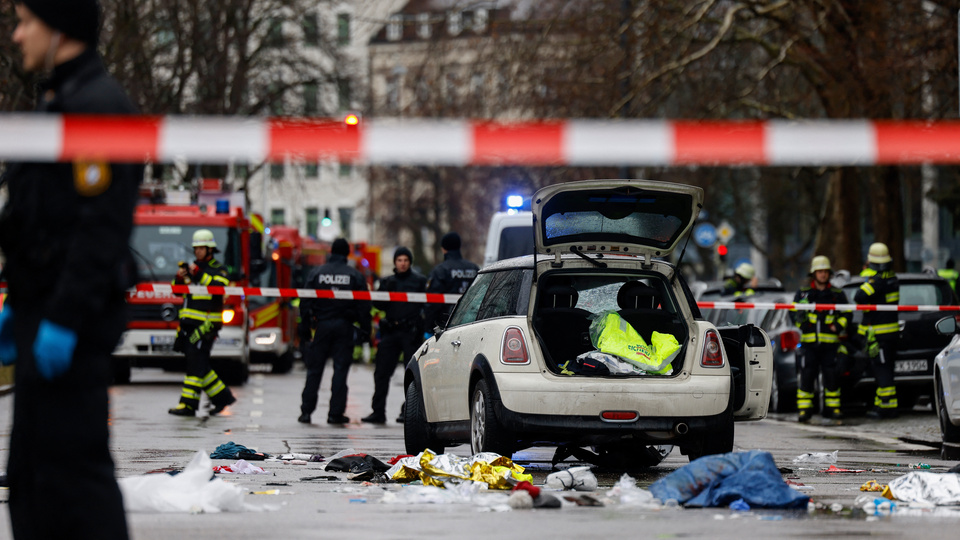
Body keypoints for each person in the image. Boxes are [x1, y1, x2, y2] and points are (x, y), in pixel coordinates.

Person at [0, 1, 140, 537]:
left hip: (71, 330)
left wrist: (61, 317)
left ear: (59, 27)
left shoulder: (98, 108)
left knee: (76, 482)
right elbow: (41, 225)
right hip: (44, 316)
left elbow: (98, 232)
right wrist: (22, 304)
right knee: (33, 482)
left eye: (25, 21)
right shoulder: (59, 103)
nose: (16, 35)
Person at [298, 238, 371, 424]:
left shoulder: (317, 273)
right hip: (344, 327)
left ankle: (306, 412)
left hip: (322, 326)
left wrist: (305, 329)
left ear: (331, 252)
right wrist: (365, 329)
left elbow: (305, 302)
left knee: (314, 370)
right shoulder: (354, 275)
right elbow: (363, 305)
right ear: (347, 253)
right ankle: (334, 414)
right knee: (340, 371)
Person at [168, 229, 237, 417]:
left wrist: (199, 274)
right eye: (195, 248)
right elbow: (178, 292)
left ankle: (188, 404)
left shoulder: (219, 269)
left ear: (210, 249)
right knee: (200, 365)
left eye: (201, 248)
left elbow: (218, 289)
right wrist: (180, 278)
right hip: (188, 324)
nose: (197, 251)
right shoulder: (193, 268)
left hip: (206, 326)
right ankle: (223, 398)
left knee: (195, 364)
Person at [362, 247, 427, 424]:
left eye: (406, 260)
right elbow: (378, 305)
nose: (403, 263)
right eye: (399, 260)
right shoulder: (387, 281)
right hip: (391, 331)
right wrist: (383, 292)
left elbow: (428, 305)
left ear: (410, 262)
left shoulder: (420, 281)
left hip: (410, 332)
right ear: (395, 262)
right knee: (381, 373)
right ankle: (378, 411)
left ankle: (409, 411)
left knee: (412, 374)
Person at [792, 256, 850, 422]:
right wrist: (801, 322)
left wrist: (838, 326)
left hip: (830, 345)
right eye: (820, 272)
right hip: (809, 345)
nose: (823, 275)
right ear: (814, 274)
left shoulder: (837, 294)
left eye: (825, 272)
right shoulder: (803, 294)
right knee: (807, 377)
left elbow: (847, 313)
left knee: (831, 376)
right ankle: (804, 410)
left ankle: (833, 408)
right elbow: (792, 312)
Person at [854, 242, 900, 419]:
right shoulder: (893, 279)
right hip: (891, 334)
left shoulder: (878, 281)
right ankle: (883, 404)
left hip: (881, 335)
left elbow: (859, 296)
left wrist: (868, 281)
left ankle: (887, 407)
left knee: (882, 370)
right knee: (885, 368)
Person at [423, 232, 480, 332]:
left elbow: (432, 303)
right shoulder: (474, 268)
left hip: (446, 325)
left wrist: (428, 327)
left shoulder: (440, 271)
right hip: (472, 322)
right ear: (459, 247)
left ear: (443, 249)